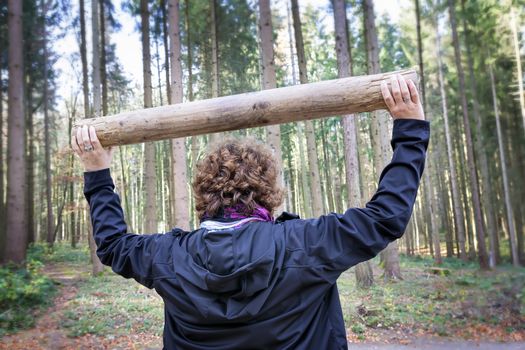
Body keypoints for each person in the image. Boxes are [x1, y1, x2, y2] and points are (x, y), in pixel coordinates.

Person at [72, 74, 429, 350]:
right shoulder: (305, 244)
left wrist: (97, 171)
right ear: (268, 193)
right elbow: (385, 217)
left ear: (203, 193)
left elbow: (113, 244)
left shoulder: (168, 258)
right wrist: (410, 129)